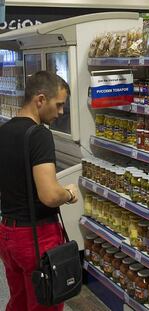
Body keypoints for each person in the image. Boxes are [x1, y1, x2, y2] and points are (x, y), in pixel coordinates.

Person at [0, 71, 79, 311]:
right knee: (45, 304)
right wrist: (68, 193)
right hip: (36, 236)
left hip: (7, 234)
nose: (61, 112)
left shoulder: (4, 131)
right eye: (59, 105)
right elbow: (49, 195)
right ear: (40, 99)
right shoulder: (39, 135)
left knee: (19, 301)